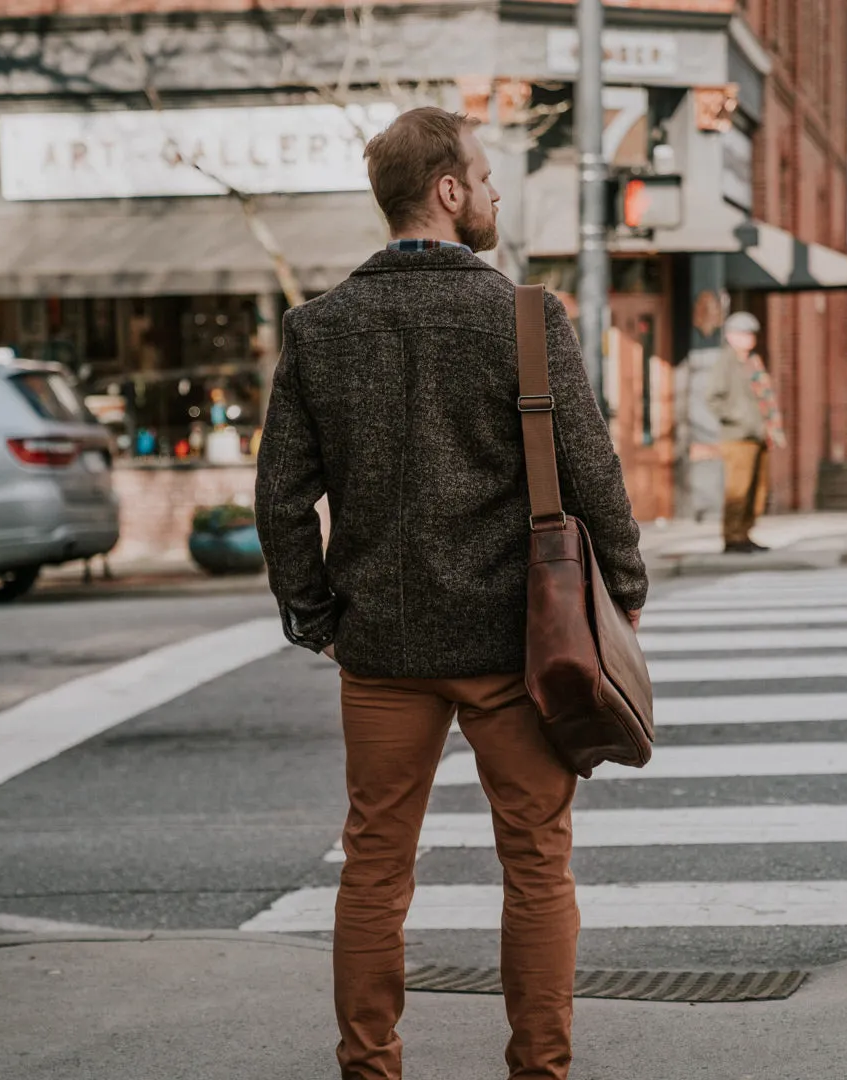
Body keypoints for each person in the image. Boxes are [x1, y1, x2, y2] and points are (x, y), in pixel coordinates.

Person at [254, 106, 648, 1080]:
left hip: (383, 655)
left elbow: (281, 503)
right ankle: (539, 1071)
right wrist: (624, 597)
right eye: (486, 172)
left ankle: (371, 1068)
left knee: (376, 872)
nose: (497, 190)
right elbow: (594, 481)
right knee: (537, 865)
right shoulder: (523, 318)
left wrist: (318, 618)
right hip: (520, 650)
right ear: (448, 189)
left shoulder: (318, 329)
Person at [705, 311, 786, 553]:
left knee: (757, 491)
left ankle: (746, 533)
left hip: (759, 435)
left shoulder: (753, 362)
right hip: (738, 437)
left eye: (751, 334)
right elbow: (713, 398)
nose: (749, 338)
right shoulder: (726, 362)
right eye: (744, 333)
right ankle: (732, 537)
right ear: (730, 336)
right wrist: (740, 418)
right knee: (737, 491)